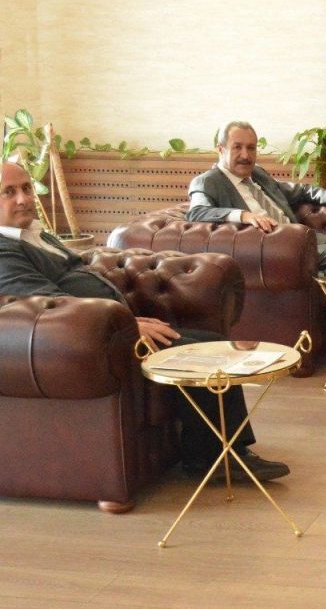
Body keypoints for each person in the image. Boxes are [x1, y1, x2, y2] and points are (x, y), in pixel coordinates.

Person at [0, 161, 290, 481]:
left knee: (213, 344)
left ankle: (219, 452)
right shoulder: (3, 249)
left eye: (26, 188)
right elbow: (51, 307)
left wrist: (126, 320)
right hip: (90, 344)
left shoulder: (34, 234)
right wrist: (126, 327)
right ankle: (216, 459)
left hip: (112, 329)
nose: (23, 199)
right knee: (200, 356)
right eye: (8, 192)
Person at [187, 121, 326, 358]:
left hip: (300, 239)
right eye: (237, 147)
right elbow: (197, 213)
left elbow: (301, 191)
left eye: (251, 148)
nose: (246, 155)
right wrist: (243, 215)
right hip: (272, 251)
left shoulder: (257, 174)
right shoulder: (208, 181)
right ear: (221, 149)